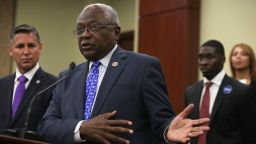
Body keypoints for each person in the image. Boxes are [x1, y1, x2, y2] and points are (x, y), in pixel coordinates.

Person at [38, 3, 209, 144]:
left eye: (94, 27)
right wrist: (82, 127)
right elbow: (46, 125)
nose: (85, 35)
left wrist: (167, 131)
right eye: (80, 29)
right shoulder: (68, 76)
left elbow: (161, 121)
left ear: (116, 32)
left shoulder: (143, 67)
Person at [184, 40, 249, 144]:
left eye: (210, 57)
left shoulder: (241, 91)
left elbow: (250, 133)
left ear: (223, 59)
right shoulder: (190, 91)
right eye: (200, 57)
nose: (203, 62)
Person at [0, 24, 57, 133]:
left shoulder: (53, 85)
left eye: (31, 46)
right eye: (20, 46)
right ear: (11, 50)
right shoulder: (2, 85)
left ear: (40, 48)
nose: (26, 52)